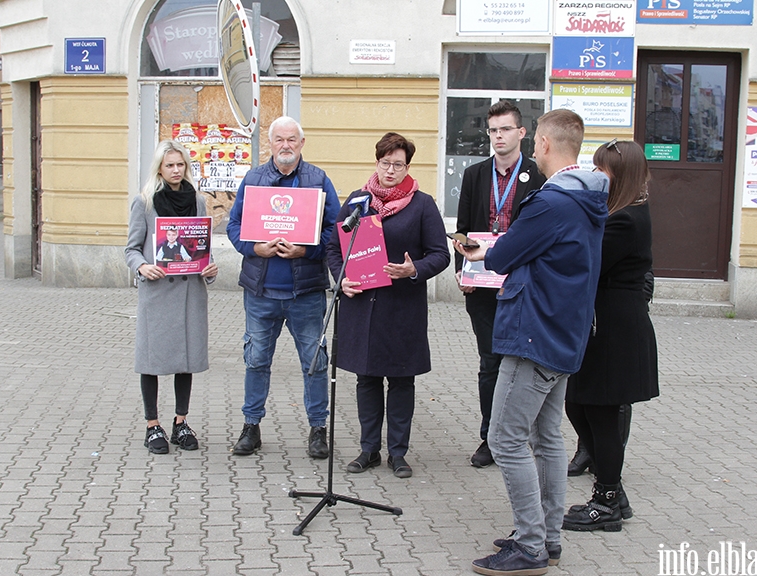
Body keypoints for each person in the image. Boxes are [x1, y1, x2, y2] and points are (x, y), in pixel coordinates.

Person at [455, 109, 608, 576]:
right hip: (562, 331)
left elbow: (505, 253)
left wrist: (486, 252)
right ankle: (549, 536)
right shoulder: (589, 196)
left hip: (534, 334)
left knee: (504, 437)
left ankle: (529, 546)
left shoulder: (551, 201)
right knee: (545, 437)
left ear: (540, 142)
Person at [327, 132, 450, 478]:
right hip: (362, 307)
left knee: (400, 382)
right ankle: (368, 450)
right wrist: (341, 279)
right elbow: (335, 249)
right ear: (376, 163)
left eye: (398, 164)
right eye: (385, 163)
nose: (390, 170)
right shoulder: (357, 201)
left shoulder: (422, 204)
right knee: (366, 381)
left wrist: (414, 269)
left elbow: (441, 255)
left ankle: (398, 453)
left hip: (402, 310)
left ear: (407, 167)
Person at [226, 116, 341, 459]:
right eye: (280, 140)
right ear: (271, 143)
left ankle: (318, 429)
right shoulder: (254, 179)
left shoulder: (318, 180)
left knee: (315, 362)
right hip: (261, 292)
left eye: (292, 139)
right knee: (256, 360)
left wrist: (308, 250)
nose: (286, 146)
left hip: (305, 293)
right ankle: (251, 427)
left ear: (301, 143)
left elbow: (335, 231)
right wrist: (253, 247)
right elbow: (234, 225)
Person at [562, 140, 659, 532]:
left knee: (600, 415)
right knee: (578, 405)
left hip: (615, 330)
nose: (597, 176)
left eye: (604, 170)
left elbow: (587, 261)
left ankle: (606, 501)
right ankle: (613, 491)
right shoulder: (620, 211)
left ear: (622, 175)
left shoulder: (626, 219)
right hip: (606, 326)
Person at [454, 100, 546, 468]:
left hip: (521, 285)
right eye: (493, 130)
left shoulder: (538, 176)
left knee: (524, 363)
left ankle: (521, 436)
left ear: (521, 133)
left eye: (505, 129)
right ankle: (489, 439)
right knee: (489, 363)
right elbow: (461, 228)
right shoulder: (475, 175)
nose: (498, 137)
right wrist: (462, 271)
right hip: (482, 287)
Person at [124, 140, 219, 454]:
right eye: (170, 166)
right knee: (150, 361)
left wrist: (210, 270)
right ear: (160, 169)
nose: (176, 171)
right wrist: (143, 267)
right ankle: (152, 426)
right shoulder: (145, 202)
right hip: (158, 292)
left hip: (191, 291)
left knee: (186, 360)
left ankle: (181, 422)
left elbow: (203, 249)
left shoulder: (198, 201)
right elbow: (131, 249)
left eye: (181, 165)